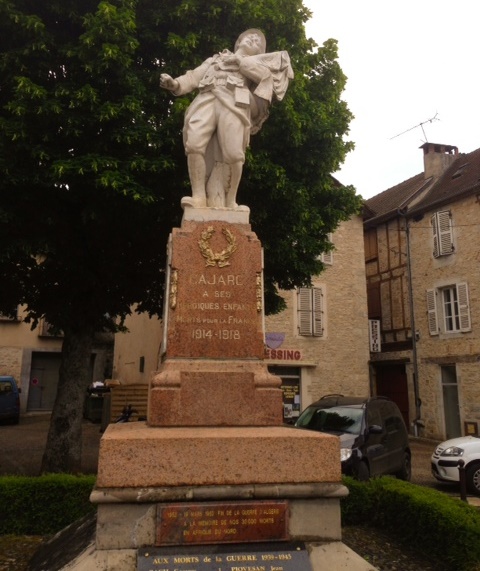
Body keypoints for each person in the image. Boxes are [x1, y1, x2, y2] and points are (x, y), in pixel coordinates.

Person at [160, 29, 293, 210]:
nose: (253, 39)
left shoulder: (255, 64)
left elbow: (265, 80)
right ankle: (198, 197)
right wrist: (175, 84)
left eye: (257, 42)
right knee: (194, 144)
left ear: (260, 53)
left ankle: (231, 201)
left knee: (234, 154)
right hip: (207, 98)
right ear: (238, 42)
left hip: (234, 103)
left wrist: (242, 62)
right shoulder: (216, 59)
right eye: (249, 37)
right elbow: (194, 76)